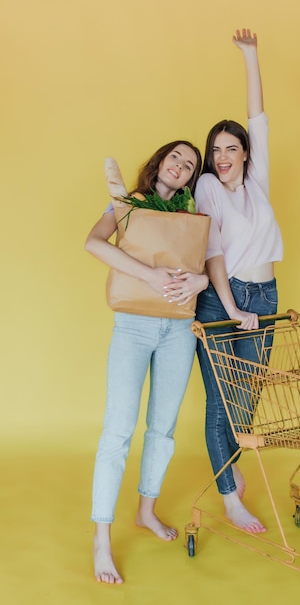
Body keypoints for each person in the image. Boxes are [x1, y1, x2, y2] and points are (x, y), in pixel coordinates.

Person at [85, 140, 208, 584]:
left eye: (190, 164)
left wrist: (201, 279)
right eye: (176, 157)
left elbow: (207, 263)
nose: (181, 166)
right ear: (160, 161)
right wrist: (150, 275)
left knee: (163, 427)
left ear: (193, 177)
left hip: (179, 329)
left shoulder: (194, 215)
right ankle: (102, 539)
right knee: (118, 431)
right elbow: (94, 243)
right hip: (134, 326)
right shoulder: (128, 204)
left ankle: (146, 511)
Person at [194, 29, 284, 534]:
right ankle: (230, 498)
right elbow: (213, 252)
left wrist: (251, 56)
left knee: (246, 397)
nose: (223, 154)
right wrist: (229, 307)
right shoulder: (208, 185)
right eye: (216, 148)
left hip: (265, 294)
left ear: (246, 153)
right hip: (221, 298)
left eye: (232, 148)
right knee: (219, 400)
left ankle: (229, 466)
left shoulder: (259, 181)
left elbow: (259, 120)